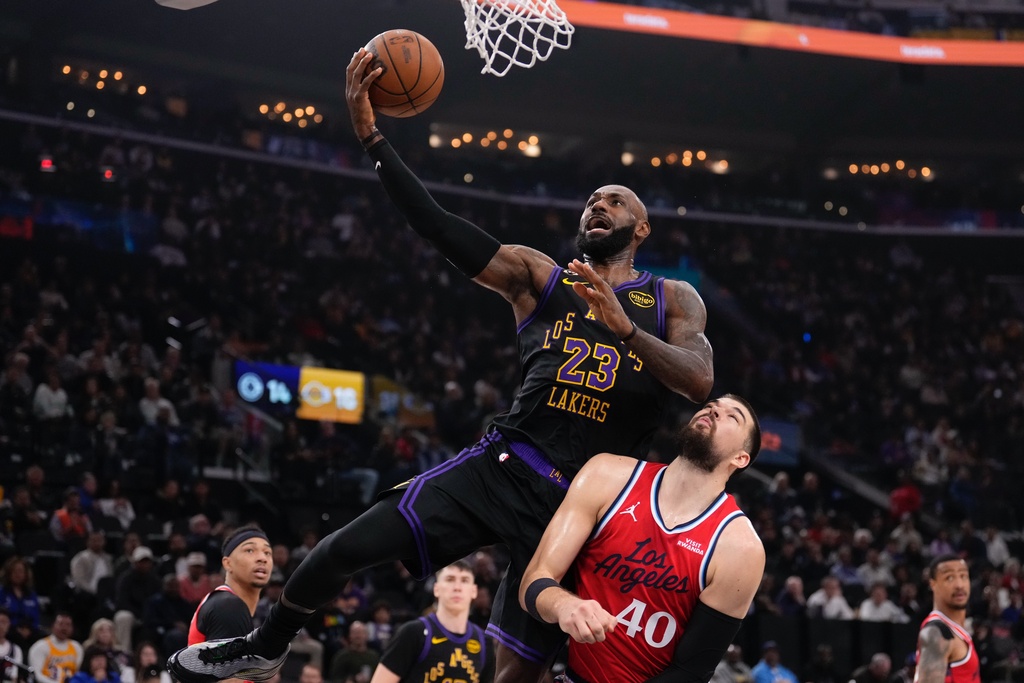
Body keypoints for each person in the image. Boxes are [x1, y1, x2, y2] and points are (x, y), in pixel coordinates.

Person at [168, 44, 715, 683]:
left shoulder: (672, 299)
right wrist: (373, 138)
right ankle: (266, 645)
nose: (599, 206)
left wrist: (626, 332)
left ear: (641, 229)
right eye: (592, 199)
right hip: (506, 464)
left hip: (585, 505)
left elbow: (698, 380)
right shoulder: (539, 275)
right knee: (344, 547)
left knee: (522, 670)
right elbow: (435, 224)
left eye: (615, 201)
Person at [518, 395, 763, 683]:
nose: (714, 410)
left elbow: (690, 673)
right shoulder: (607, 475)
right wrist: (564, 606)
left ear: (740, 458)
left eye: (732, 416)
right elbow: (533, 582)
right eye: (711, 406)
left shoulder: (740, 547)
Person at [369, 561, 492, 683]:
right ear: (436, 589)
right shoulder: (414, 633)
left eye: (464, 580)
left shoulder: (484, 642)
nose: (457, 587)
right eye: (450, 579)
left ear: (474, 591)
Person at [186, 525, 272, 646]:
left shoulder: (232, 603)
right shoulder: (228, 605)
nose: (262, 558)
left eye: (267, 552)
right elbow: (227, 664)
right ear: (228, 563)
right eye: (250, 551)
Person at [914, 554, 980, 683]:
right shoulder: (936, 633)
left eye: (963, 576)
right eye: (949, 578)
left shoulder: (955, 629)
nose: (959, 585)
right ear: (933, 584)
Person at [27, 612, 83, 683]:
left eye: (68, 625)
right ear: (53, 626)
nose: (64, 628)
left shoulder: (76, 647)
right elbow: (36, 675)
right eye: (61, 624)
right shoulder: (40, 646)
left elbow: (78, 673)